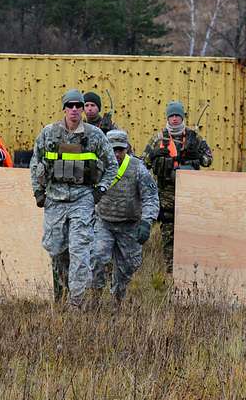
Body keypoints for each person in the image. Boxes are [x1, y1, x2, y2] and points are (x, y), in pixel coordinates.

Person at [30, 89, 118, 305]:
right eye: (70, 105)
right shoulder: (49, 134)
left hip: (82, 199)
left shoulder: (95, 135)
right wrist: (38, 191)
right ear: (64, 108)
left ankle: (75, 304)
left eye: (79, 105)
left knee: (80, 251)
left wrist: (101, 190)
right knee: (57, 250)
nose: (75, 110)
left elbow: (113, 166)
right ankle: (62, 295)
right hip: (55, 199)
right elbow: (35, 163)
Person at [91, 129, 160, 302]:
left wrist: (146, 222)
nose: (116, 154)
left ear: (127, 149)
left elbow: (150, 197)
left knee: (129, 266)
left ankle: (118, 299)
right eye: (112, 149)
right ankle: (95, 297)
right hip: (104, 222)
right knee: (97, 257)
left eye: (120, 150)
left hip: (130, 225)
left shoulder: (138, 168)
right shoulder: (97, 166)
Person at [142, 100, 213, 265]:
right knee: (168, 234)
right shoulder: (158, 138)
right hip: (166, 194)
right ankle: (169, 268)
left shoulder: (194, 137)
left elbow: (208, 160)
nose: (174, 119)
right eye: (171, 115)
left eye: (177, 116)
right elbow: (143, 163)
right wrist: (154, 155)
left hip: (190, 194)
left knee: (190, 232)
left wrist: (196, 155)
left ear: (182, 117)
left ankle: (190, 266)